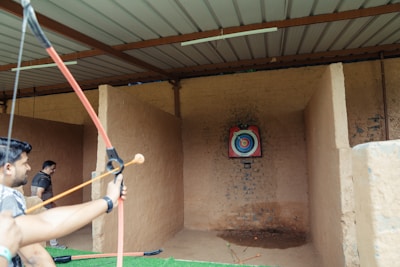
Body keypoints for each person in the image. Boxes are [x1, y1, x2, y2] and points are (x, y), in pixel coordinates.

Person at [0, 137, 127, 267]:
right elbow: (47, 222)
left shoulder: (12, 195)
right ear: (8, 168)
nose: (28, 167)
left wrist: (108, 201)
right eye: (24, 163)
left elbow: (34, 254)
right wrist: (108, 200)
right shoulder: (6, 196)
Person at [31, 160, 66, 249]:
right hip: (43, 205)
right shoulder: (45, 179)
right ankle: (54, 244)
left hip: (38, 205)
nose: (54, 171)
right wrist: (41, 206)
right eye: (52, 169)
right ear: (46, 168)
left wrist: (52, 203)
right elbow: (39, 192)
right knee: (52, 223)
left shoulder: (37, 176)